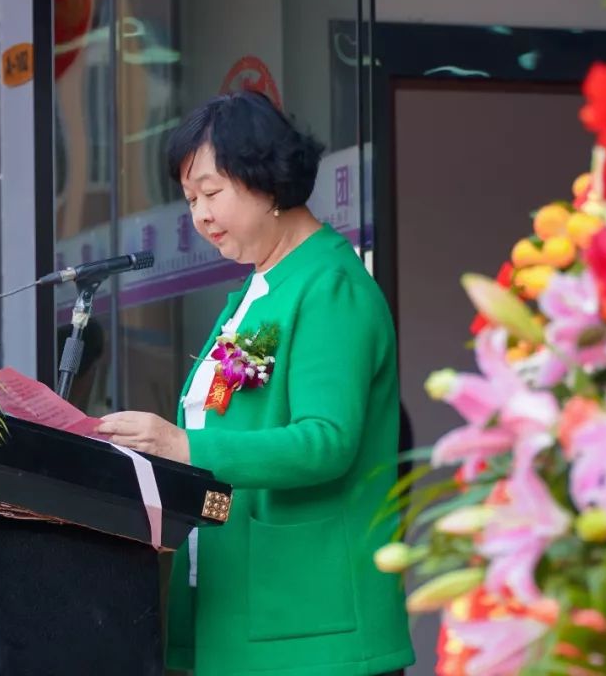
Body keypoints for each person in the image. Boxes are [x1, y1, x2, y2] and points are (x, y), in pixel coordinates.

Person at [96, 90, 414, 676]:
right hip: (242, 602)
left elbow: (326, 440)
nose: (200, 216)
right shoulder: (258, 291)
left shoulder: (329, 286)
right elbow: (223, 415)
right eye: (190, 200)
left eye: (212, 192)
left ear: (267, 179)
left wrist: (182, 446)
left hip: (310, 619)